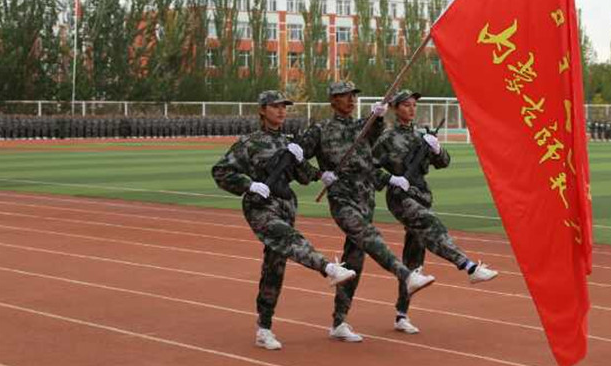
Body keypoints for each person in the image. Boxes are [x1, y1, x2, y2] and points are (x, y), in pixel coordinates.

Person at [212, 90, 357, 351]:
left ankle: (264, 328)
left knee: (275, 265)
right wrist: (249, 184)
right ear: (262, 110)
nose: (281, 111)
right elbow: (221, 171)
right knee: (288, 238)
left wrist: (319, 174)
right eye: (275, 106)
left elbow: (302, 174)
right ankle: (328, 268)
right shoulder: (250, 142)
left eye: (284, 107)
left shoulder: (289, 143)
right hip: (260, 207)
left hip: (285, 205)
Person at [300, 81, 436, 343]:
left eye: (353, 95)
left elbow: (374, 142)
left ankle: (339, 322)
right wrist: (318, 174)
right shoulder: (320, 129)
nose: (351, 100)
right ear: (333, 101)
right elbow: (296, 157)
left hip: (366, 199)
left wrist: (378, 118)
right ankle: (405, 274)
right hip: (343, 199)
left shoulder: (363, 126)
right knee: (369, 236)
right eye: (344, 96)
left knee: (354, 261)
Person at [373, 90, 498, 334]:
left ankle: (401, 315)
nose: (411, 109)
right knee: (432, 224)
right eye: (406, 105)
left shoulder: (421, 137)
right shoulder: (387, 138)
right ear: (395, 109)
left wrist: (438, 149)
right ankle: (470, 267)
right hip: (400, 197)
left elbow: (443, 162)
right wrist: (391, 179)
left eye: (413, 105)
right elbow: (369, 167)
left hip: (421, 195)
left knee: (413, 259)